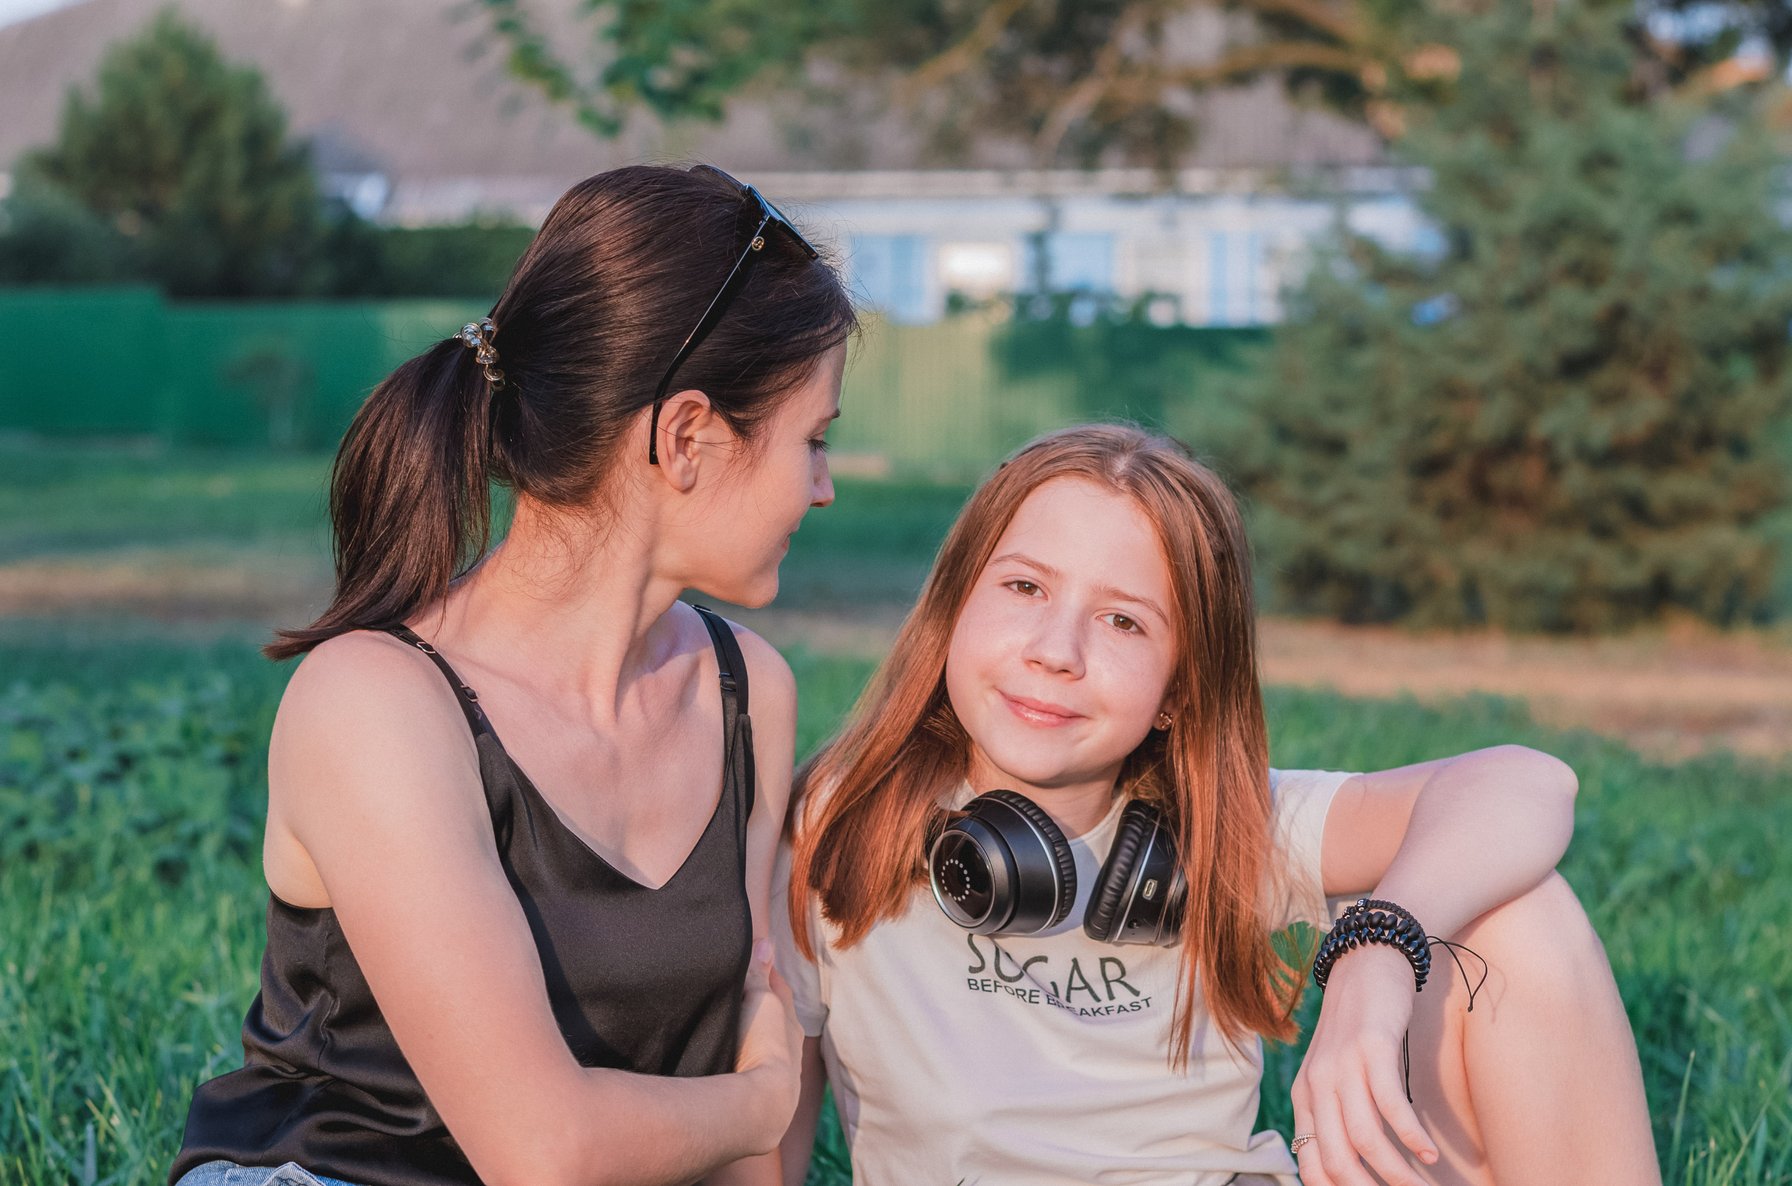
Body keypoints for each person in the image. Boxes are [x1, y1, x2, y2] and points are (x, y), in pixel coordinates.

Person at [170, 163, 856, 1186]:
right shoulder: (378, 702)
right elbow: (545, 1152)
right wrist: (757, 1104)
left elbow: (747, 1037)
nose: (825, 487)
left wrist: (754, 1127)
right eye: (812, 441)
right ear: (688, 437)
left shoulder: (747, 688)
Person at [774, 424, 1659, 1186]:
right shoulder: (838, 824)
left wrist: (1373, 961)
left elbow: (1527, 783)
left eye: (1124, 622)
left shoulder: (1219, 829)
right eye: (1024, 588)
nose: (1057, 650)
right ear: (952, 608)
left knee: (1514, 911)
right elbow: (767, 1121)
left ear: (1177, 692)